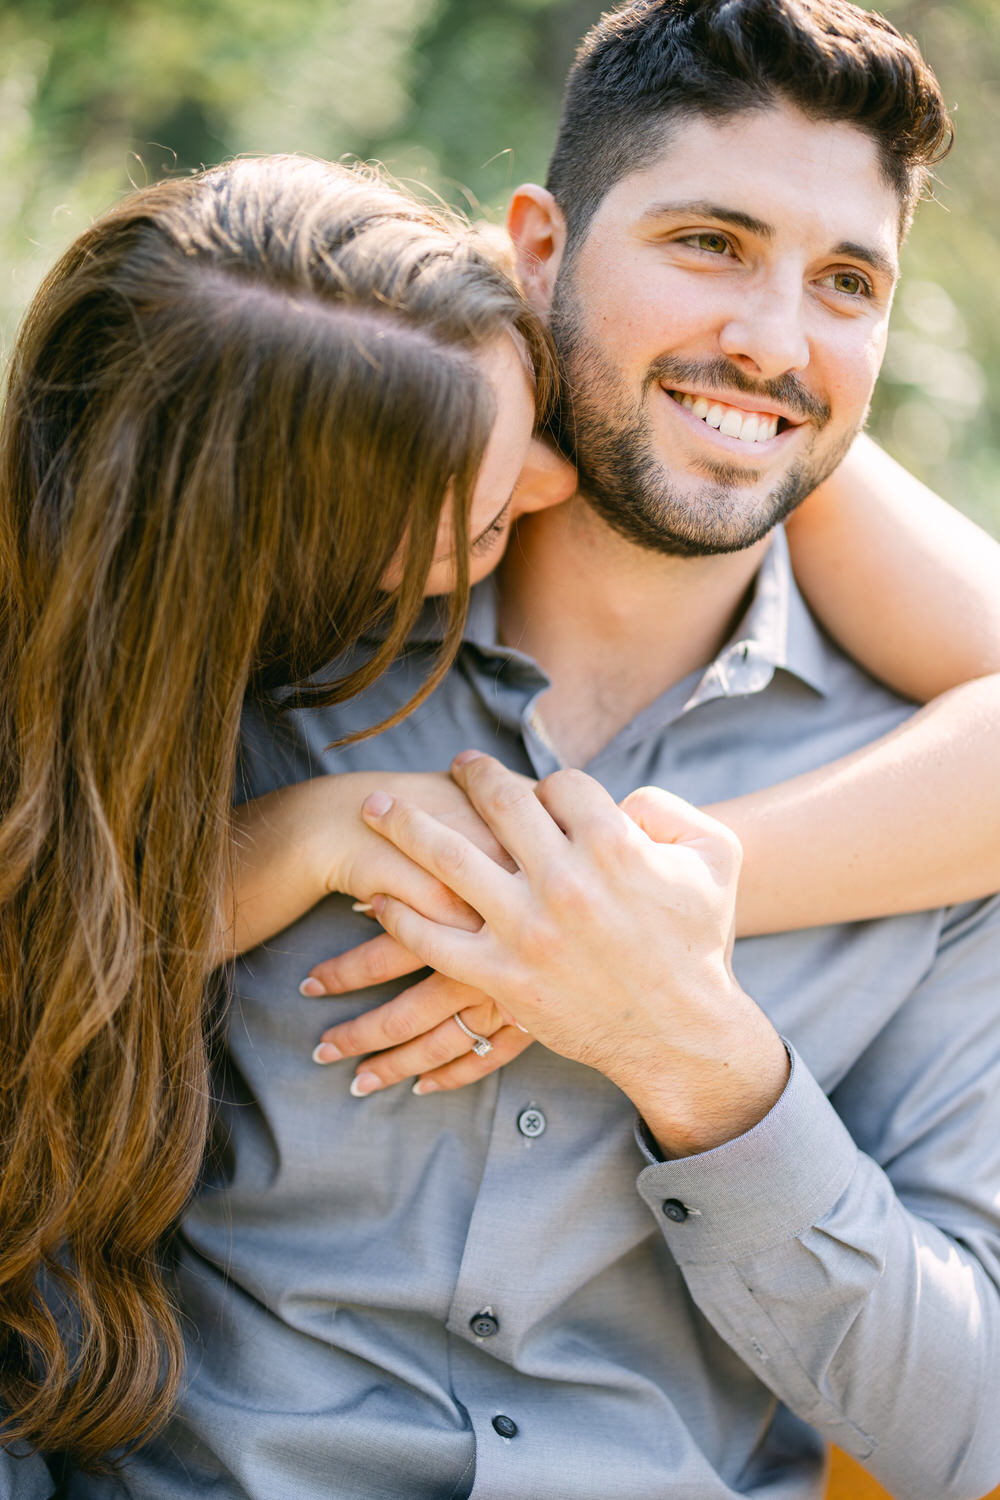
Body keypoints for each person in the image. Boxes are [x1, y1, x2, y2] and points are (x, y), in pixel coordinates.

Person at [4, 12, 1000, 1500]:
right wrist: (287, 844)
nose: (778, 339)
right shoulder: (255, 648)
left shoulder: (931, 817)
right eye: (709, 240)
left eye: (847, 281)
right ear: (537, 250)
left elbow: (967, 1429)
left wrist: (690, 1035)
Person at [0, 150, 562, 1475]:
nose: (559, 487)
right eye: (477, 531)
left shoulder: (358, 324)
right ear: (273, 561)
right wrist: (309, 836)